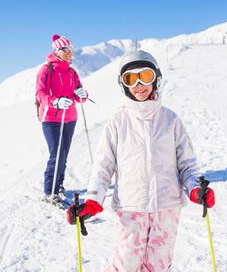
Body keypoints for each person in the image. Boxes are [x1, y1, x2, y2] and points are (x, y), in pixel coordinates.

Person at [67, 50, 215, 271]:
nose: (138, 84)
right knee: (126, 263)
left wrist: (196, 189)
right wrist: (93, 200)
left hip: (167, 207)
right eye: (130, 78)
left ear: (156, 78)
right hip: (131, 206)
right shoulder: (118, 121)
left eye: (145, 76)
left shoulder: (171, 120)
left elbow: (188, 164)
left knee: (159, 264)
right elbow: (103, 166)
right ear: (123, 84)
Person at [36, 34, 88, 205]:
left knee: (63, 153)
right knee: (55, 154)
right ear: (57, 51)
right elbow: (40, 94)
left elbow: (79, 95)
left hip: (70, 118)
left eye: (70, 50)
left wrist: (82, 94)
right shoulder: (46, 70)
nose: (69, 53)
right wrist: (56, 102)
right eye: (65, 50)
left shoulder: (72, 72)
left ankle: (58, 186)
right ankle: (49, 192)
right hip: (51, 118)